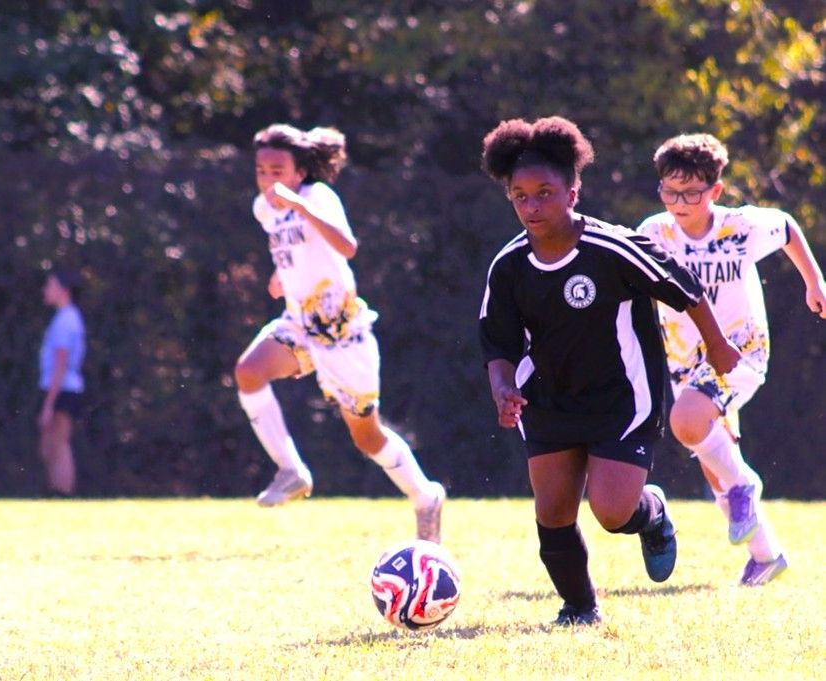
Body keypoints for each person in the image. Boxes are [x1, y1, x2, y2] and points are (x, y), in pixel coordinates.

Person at [478, 116, 741, 626]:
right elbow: (497, 342)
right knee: (553, 513)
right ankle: (580, 607)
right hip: (549, 400)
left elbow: (685, 288)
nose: (531, 206)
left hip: (623, 398)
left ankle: (652, 513)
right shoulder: (508, 266)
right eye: (520, 196)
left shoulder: (614, 248)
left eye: (544, 193)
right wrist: (503, 388)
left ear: (572, 192)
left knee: (611, 511)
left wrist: (717, 343)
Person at [234, 123, 446, 542]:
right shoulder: (264, 208)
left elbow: (346, 246)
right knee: (248, 371)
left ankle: (425, 496)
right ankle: (291, 469)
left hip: (342, 333)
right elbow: (296, 250)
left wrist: (299, 205)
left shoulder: (316, 197)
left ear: (299, 173)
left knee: (367, 437)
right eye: (261, 170)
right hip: (299, 323)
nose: (267, 179)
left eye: (277, 171)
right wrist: (281, 274)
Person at [638, 133, 826, 586]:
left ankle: (746, 485)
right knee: (713, 461)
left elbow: (786, 228)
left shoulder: (740, 226)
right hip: (684, 359)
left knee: (686, 423)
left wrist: (814, 282)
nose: (679, 202)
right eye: (670, 191)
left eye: (692, 193)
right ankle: (766, 555)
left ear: (715, 191)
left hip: (740, 351)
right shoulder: (654, 232)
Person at [38, 268, 86, 496]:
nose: (45, 290)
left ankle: (63, 494)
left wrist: (49, 403)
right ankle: (57, 492)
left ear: (63, 290)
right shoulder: (64, 318)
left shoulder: (67, 320)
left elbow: (61, 363)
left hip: (62, 389)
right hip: (59, 388)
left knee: (58, 444)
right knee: (50, 445)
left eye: (50, 285)